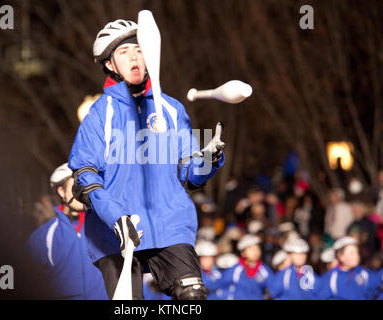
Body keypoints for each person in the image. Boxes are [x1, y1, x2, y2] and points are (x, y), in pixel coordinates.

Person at [68, 19, 225, 300]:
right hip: (114, 233)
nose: (134, 57)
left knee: (193, 297)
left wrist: (209, 160)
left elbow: (190, 174)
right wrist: (115, 218)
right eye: (124, 52)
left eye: (139, 49)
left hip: (169, 222)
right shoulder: (99, 115)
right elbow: (84, 176)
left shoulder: (171, 109)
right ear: (110, 65)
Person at [27, 163, 108, 300]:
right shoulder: (45, 236)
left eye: (84, 186)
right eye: (75, 186)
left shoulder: (104, 227)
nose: (82, 192)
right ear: (61, 192)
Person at [221, 234, 273, 300]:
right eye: (251, 249)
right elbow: (222, 287)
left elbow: (274, 289)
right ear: (243, 253)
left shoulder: (264, 270)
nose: (255, 252)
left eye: (257, 248)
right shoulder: (235, 270)